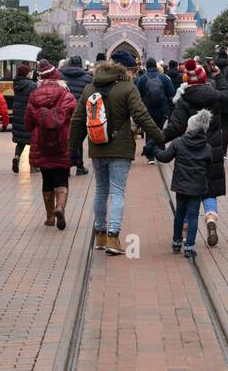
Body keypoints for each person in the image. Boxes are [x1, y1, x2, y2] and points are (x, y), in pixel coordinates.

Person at [69, 50, 165, 255]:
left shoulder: (89, 88)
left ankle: (100, 235)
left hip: (97, 146)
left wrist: (73, 150)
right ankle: (113, 237)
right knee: (118, 192)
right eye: (133, 70)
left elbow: (77, 121)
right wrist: (160, 138)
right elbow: (142, 116)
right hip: (120, 148)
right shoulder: (127, 88)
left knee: (101, 191)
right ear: (126, 70)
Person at [162, 59, 227, 246]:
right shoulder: (215, 95)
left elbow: (174, 128)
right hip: (213, 149)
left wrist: (156, 142)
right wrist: (219, 75)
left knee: (187, 189)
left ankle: (183, 231)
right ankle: (211, 219)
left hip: (188, 151)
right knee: (210, 188)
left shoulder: (184, 100)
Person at [149, 109, 214, 257]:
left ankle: (177, 242)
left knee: (179, 213)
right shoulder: (207, 148)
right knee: (193, 216)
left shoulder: (178, 142)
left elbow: (165, 157)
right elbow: (209, 169)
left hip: (181, 185)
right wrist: (205, 183)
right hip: (197, 188)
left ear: (189, 127)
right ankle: (190, 246)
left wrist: (154, 149)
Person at [25, 59, 77, 228]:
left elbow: (28, 123)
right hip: (63, 142)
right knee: (62, 176)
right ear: (57, 76)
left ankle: (49, 217)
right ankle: (60, 207)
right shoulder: (67, 95)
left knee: (46, 179)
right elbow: (76, 117)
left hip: (41, 143)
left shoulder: (34, 96)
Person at [59, 55, 93, 175]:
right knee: (78, 140)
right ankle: (79, 166)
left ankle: (67, 167)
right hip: (81, 114)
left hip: (64, 114)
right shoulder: (88, 78)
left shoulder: (60, 77)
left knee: (67, 140)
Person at [10, 62, 37, 172]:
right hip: (28, 114)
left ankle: (17, 156)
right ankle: (32, 166)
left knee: (20, 141)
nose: (31, 74)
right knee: (32, 141)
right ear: (26, 73)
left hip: (17, 113)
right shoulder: (31, 85)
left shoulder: (16, 84)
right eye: (29, 72)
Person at [135, 57, 175, 130]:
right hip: (162, 111)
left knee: (149, 133)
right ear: (156, 66)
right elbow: (171, 93)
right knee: (161, 133)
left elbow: (137, 96)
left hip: (147, 111)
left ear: (146, 67)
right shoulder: (164, 78)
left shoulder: (141, 79)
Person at [213, 51, 228, 158]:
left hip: (216, 101)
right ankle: (224, 151)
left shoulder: (213, 70)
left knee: (215, 127)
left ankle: (215, 150)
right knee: (225, 128)